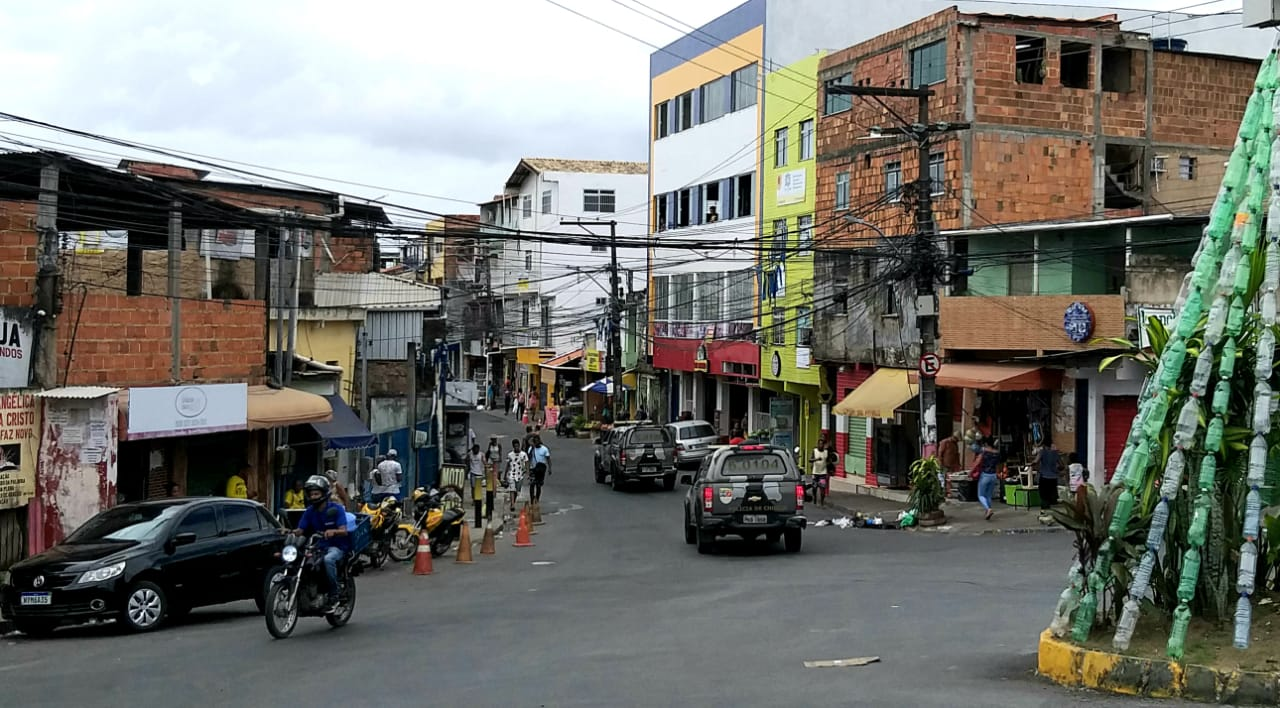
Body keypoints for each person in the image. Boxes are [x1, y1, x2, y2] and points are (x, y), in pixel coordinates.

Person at [293, 475, 349, 614]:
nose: (313, 497)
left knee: (328, 560)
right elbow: (301, 530)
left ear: (324, 494)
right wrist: (289, 531)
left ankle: (334, 596)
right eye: (311, 494)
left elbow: (344, 531)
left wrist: (333, 531)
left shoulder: (336, 509)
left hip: (336, 546)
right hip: (318, 546)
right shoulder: (309, 512)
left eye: (316, 493)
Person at [969, 437, 1002, 521]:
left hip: (985, 475)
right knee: (988, 495)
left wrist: (970, 472)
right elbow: (999, 465)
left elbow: (977, 463)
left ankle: (988, 509)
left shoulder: (984, 452)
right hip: (993, 475)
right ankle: (988, 511)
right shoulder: (997, 453)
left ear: (986, 444)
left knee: (981, 495)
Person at [1032, 440, 1065, 512]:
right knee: (1051, 497)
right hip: (1053, 478)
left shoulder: (1042, 452)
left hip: (1044, 477)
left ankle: (1044, 513)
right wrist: (1056, 470)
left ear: (1043, 445)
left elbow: (1035, 461)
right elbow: (1062, 466)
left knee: (1044, 496)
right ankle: (1050, 513)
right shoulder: (1056, 453)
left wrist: (1035, 466)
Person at [504, 439, 529, 514]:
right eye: (515, 446)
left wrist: (527, 472)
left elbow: (527, 463)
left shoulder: (523, 454)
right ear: (513, 447)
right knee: (512, 489)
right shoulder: (510, 455)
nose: (517, 448)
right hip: (512, 474)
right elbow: (508, 465)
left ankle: (513, 501)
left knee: (517, 491)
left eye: (517, 446)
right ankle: (512, 504)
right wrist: (505, 475)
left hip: (520, 475)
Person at [468, 443, 486, 528]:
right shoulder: (470, 455)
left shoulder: (481, 454)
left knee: (478, 488)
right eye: (474, 450)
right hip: (472, 473)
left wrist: (486, 468)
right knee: (473, 487)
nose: (476, 451)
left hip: (479, 473)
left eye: (477, 450)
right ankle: (473, 499)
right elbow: (466, 461)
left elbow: (484, 462)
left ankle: (477, 499)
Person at [528, 435, 550, 504]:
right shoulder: (531, 449)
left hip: (541, 469)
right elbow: (529, 458)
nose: (536, 442)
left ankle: (537, 499)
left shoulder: (544, 449)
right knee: (532, 484)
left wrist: (550, 468)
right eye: (535, 441)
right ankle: (532, 499)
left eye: (537, 441)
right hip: (533, 469)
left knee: (538, 485)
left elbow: (548, 459)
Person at [485, 436, 503, 521]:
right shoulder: (490, 445)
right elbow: (488, 452)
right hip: (491, 460)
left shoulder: (498, 445)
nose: (493, 441)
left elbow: (500, 453)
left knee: (495, 477)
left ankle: (494, 492)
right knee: (490, 476)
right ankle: (491, 491)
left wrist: (500, 459)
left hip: (496, 461)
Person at [810, 437, 831, 507]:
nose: (821, 446)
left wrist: (829, 470)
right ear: (818, 445)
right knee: (814, 488)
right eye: (819, 444)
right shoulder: (815, 451)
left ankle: (822, 502)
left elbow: (829, 461)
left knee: (822, 489)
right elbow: (810, 460)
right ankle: (815, 498)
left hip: (823, 473)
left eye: (822, 444)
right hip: (815, 473)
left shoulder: (826, 452)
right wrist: (816, 459)